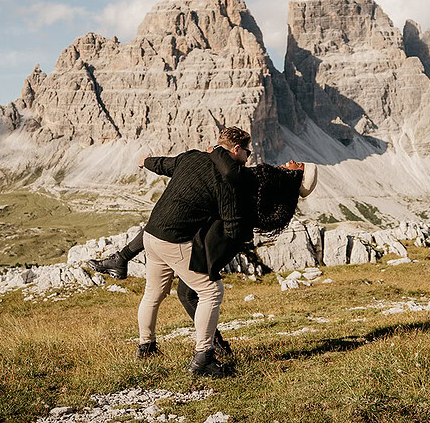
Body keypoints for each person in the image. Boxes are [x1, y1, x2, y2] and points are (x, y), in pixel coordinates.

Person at [89, 157, 319, 366]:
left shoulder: (268, 183)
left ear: (295, 176)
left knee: (194, 291)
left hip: (210, 242)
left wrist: (216, 152)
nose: (289, 161)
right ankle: (207, 347)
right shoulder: (272, 187)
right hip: (211, 239)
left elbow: (230, 174)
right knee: (181, 288)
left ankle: (203, 353)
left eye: (296, 164)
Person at [132, 126, 255, 378]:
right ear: (237, 150)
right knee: (211, 291)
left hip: (151, 235)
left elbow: (163, 164)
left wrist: (145, 161)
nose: (248, 157)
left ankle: (146, 347)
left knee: (153, 294)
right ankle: (203, 359)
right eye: (248, 153)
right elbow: (232, 225)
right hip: (173, 240)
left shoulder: (191, 157)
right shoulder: (225, 179)